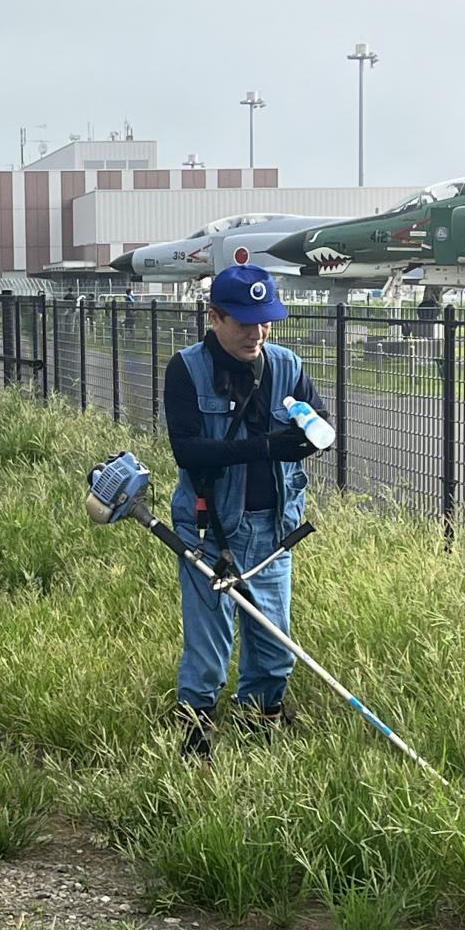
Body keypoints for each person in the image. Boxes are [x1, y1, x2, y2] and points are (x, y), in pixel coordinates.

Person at [164, 263, 331, 758]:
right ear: (213, 316)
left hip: (274, 531)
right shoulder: (187, 369)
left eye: (266, 321)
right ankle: (195, 744)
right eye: (243, 322)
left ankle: (262, 734)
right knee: (210, 653)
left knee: (275, 650)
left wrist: (307, 440)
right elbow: (188, 451)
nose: (257, 333)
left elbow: (319, 424)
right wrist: (265, 448)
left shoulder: (286, 364)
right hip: (209, 529)